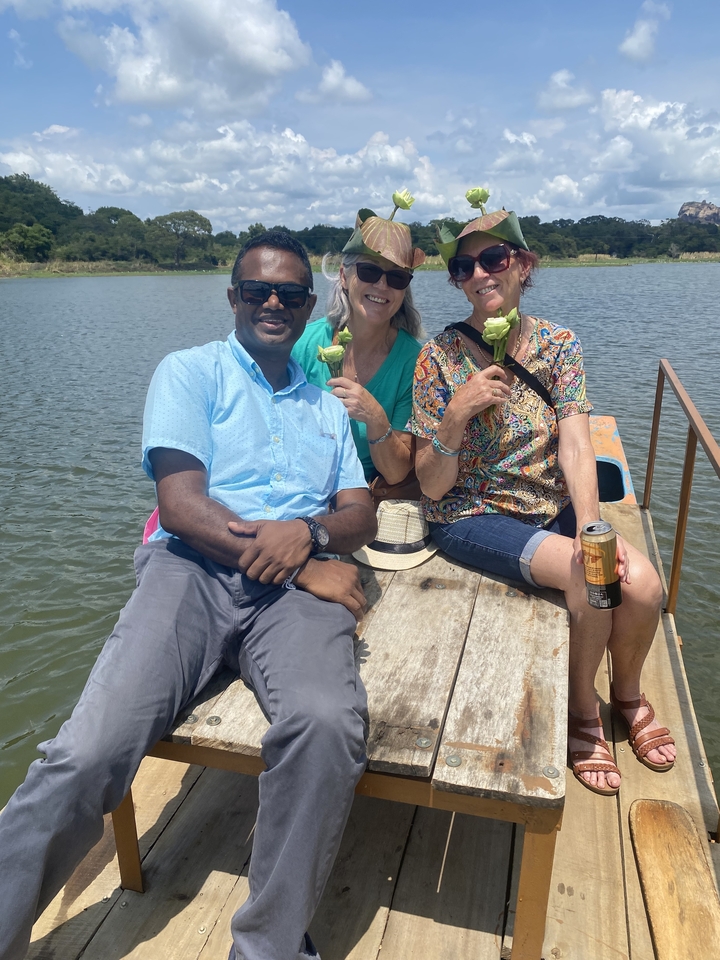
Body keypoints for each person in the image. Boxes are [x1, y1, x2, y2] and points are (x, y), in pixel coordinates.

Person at [0, 231, 377, 960]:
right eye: (259, 290)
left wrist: (309, 531)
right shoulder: (189, 372)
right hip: (191, 573)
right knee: (87, 751)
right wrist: (300, 562)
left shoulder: (326, 407)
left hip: (292, 603)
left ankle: (267, 946)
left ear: (307, 310)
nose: (274, 302)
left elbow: (358, 514)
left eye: (291, 294)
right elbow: (181, 507)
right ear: (233, 297)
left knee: (328, 725)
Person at [411, 191, 676, 797]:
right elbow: (431, 484)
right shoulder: (440, 357)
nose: (480, 275)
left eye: (494, 259)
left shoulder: (558, 346)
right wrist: (456, 414)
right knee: (591, 579)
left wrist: (590, 523)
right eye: (464, 267)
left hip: (551, 509)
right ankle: (585, 709)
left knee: (642, 585)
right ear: (455, 282)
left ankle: (626, 694)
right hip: (471, 513)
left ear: (524, 266)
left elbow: (577, 445)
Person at [292, 192, 426, 487]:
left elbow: (395, 472)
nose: (381, 285)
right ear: (343, 275)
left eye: (397, 278)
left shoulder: (415, 361)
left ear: (405, 289)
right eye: (369, 271)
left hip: (364, 496)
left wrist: (375, 416)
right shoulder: (301, 344)